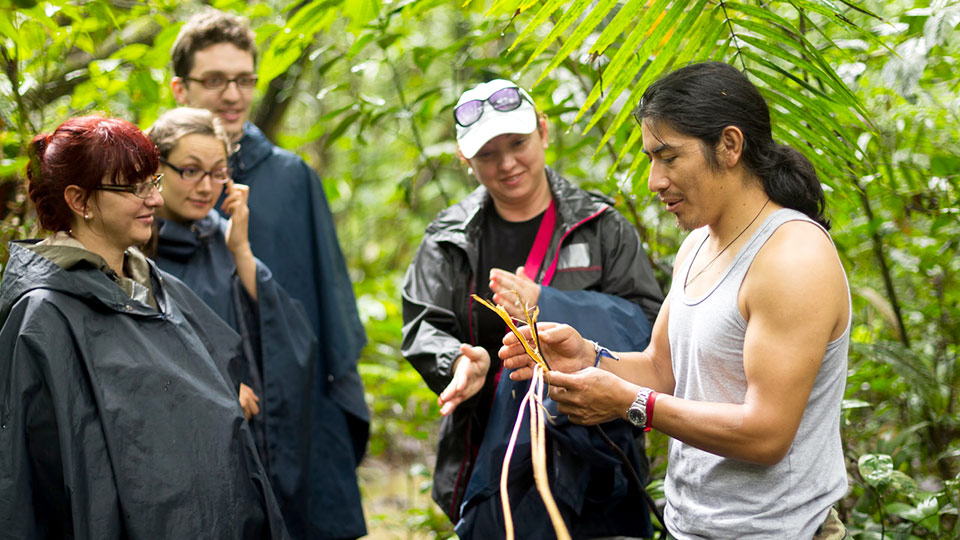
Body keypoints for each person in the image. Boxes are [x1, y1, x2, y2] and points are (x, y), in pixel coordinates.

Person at [501, 61, 851, 539]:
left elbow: (767, 433)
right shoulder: (699, 244)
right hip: (690, 524)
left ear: (729, 146)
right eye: (650, 159)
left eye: (668, 157)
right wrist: (588, 357)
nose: (654, 180)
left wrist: (631, 403)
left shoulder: (793, 258)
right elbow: (663, 370)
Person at [0, 115, 288, 538]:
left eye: (153, 182)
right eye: (134, 188)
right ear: (80, 200)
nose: (154, 199)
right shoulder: (44, 316)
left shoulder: (158, 288)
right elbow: (33, 478)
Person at [401, 78, 664, 538]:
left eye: (518, 143)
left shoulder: (601, 227)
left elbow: (646, 325)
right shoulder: (448, 239)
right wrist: (460, 362)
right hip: (489, 453)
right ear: (467, 161)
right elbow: (424, 322)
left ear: (543, 133)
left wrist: (549, 302)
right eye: (487, 154)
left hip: (599, 461)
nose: (507, 164)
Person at [169, 11, 367, 539]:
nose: (232, 95)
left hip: (297, 410)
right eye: (214, 80)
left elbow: (329, 305)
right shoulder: (154, 179)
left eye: (244, 79)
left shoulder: (291, 176)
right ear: (180, 87)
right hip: (200, 426)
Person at [143, 107, 319, 537]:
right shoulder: (133, 247)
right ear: (155, 169)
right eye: (190, 171)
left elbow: (285, 336)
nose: (206, 187)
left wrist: (239, 248)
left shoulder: (220, 234)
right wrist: (218, 388)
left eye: (217, 172)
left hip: (240, 445)